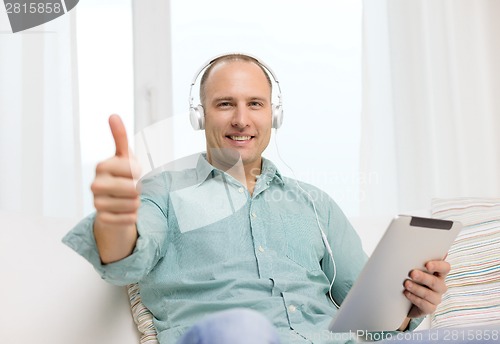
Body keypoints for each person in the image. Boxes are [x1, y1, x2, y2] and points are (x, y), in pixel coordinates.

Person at [63, 54, 451, 343]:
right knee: (243, 329)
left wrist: (407, 309)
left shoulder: (314, 204)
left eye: (255, 104)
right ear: (201, 116)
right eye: (225, 104)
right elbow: (123, 261)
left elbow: (372, 320)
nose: (241, 119)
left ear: (273, 115)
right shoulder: (164, 191)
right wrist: (113, 220)